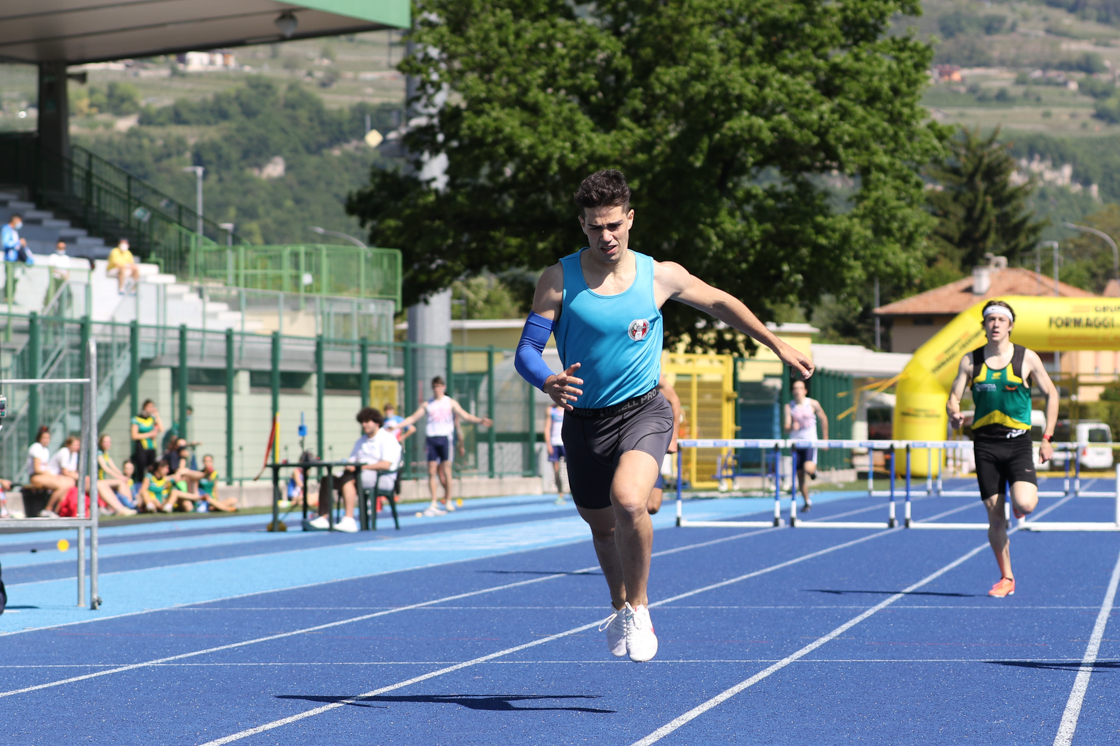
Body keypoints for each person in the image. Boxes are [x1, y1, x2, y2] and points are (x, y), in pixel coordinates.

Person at [514, 168, 814, 662]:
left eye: (614, 224)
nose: (606, 236)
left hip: (643, 411)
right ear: (582, 225)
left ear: (630, 219)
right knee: (602, 527)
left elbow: (720, 302)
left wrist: (776, 344)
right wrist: (547, 380)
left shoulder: (660, 275)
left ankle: (641, 607)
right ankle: (619, 606)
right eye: (595, 226)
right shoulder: (558, 278)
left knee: (629, 501)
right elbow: (527, 350)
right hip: (584, 422)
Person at [946, 299, 1060, 598]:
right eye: (990, 319)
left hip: (1018, 442)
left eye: (1001, 319)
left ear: (1010, 325)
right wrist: (954, 413)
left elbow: (1052, 393)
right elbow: (953, 398)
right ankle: (1007, 577)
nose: (995, 324)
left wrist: (1047, 438)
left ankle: (1019, 504)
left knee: (1026, 505)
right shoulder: (970, 361)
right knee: (995, 517)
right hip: (985, 445)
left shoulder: (1027, 358)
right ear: (984, 326)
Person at [399, 376, 493, 515]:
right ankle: (433, 501)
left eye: (439, 386)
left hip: (445, 439)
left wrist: (480, 420)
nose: (437, 389)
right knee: (431, 471)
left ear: (444, 387)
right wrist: (397, 426)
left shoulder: (450, 402)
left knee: (447, 470)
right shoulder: (427, 404)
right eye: (435, 387)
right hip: (431, 438)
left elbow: (466, 416)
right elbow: (412, 418)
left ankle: (448, 500)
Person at [310, 407, 402, 532]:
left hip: (382, 478)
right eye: (362, 422)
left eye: (367, 421)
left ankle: (349, 520)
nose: (364, 425)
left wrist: (360, 467)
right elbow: (352, 461)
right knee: (327, 480)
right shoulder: (361, 441)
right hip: (359, 475)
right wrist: (348, 466)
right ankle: (323, 518)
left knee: (349, 479)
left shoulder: (387, 439)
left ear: (377, 423)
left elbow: (385, 465)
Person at [784, 378, 828, 513]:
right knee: (800, 475)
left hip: (810, 442)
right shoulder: (789, 406)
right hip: (796, 444)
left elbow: (823, 419)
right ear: (792, 391)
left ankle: (813, 471)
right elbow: (786, 428)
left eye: (800, 388)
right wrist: (792, 427)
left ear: (805, 391)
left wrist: (825, 440)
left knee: (807, 468)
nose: (797, 391)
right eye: (795, 388)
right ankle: (807, 501)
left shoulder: (813, 404)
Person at [645, 373, 682, 516]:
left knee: (653, 505)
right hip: (609, 438)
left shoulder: (647, 369)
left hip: (644, 439)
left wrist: (673, 438)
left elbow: (674, 401)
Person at [26, 426, 73, 516]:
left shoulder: (45, 450)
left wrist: (54, 476)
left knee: (69, 483)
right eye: (44, 438)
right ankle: (47, 509)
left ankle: (59, 510)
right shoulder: (36, 447)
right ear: (39, 438)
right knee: (62, 486)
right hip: (36, 477)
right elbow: (37, 469)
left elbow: (46, 467)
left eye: (48, 438)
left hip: (45, 476)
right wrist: (51, 475)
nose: (46, 440)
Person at [130, 399, 161, 484]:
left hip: (152, 447)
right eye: (148, 407)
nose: (150, 409)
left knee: (152, 469)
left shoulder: (152, 419)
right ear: (144, 407)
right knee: (141, 470)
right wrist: (149, 434)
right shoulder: (136, 419)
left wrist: (157, 415)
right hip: (141, 448)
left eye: (152, 407)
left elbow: (161, 429)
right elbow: (134, 436)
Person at [544, 401, 568, 504]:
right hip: (555, 444)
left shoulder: (569, 408)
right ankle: (560, 494)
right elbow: (547, 428)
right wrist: (548, 444)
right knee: (556, 471)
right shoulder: (551, 410)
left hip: (567, 444)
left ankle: (575, 492)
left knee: (572, 470)